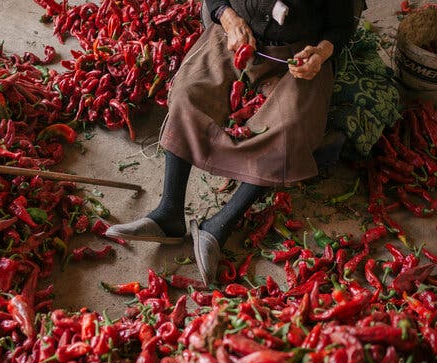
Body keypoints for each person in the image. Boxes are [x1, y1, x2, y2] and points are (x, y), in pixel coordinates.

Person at [106, 0, 358, 285]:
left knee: (288, 130)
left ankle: (219, 226)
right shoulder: (230, 24)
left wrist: (321, 54)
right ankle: (169, 213)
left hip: (296, 56)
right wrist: (227, 18)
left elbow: (341, 26)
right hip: (235, 34)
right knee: (188, 94)